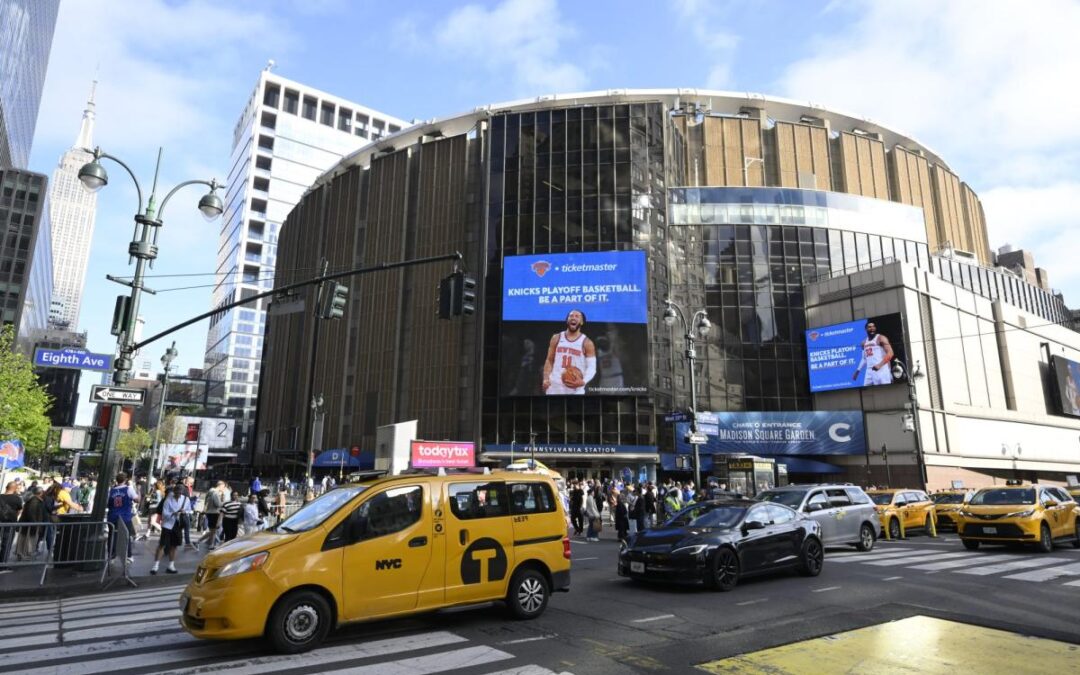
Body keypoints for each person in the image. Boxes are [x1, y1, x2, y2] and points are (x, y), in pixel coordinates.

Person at [542, 309, 597, 395]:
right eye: (571, 316)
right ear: (567, 320)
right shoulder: (556, 338)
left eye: (577, 316)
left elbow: (592, 368)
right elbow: (549, 360)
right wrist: (545, 378)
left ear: (582, 322)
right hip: (555, 386)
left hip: (575, 388)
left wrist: (583, 381)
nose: (573, 318)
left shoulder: (587, 342)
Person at [151, 484, 189, 574]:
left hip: (178, 525)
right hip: (167, 525)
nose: (178, 495)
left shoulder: (185, 499)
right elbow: (164, 515)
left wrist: (185, 512)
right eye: (177, 493)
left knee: (174, 546)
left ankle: (171, 566)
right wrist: (174, 513)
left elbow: (189, 510)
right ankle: (155, 566)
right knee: (162, 545)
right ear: (174, 492)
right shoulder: (168, 500)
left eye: (180, 493)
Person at [106, 472, 139, 563]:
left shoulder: (111, 490)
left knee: (112, 536)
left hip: (113, 516)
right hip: (125, 516)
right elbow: (137, 499)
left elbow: (107, 503)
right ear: (125, 480)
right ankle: (128, 556)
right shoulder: (129, 489)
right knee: (126, 536)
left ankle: (111, 556)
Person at [852, 320, 895, 386]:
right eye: (869, 327)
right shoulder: (863, 343)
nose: (872, 328)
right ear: (866, 329)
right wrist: (858, 371)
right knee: (866, 391)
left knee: (884, 392)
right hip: (869, 371)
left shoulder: (881, 338)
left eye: (873, 327)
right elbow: (864, 358)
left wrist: (879, 365)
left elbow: (890, 353)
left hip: (881, 370)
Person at [16, 486, 46, 560]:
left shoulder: (33, 500)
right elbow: (31, 514)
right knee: (28, 540)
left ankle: (22, 554)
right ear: (40, 493)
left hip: (28, 524)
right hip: (30, 525)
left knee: (24, 539)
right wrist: (35, 525)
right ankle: (25, 554)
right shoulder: (34, 501)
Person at [0, 481, 23, 570]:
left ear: (6, 487)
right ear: (14, 489)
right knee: (7, 543)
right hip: (10, 523)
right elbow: (19, 511)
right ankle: (3, 564)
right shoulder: (17, 498)